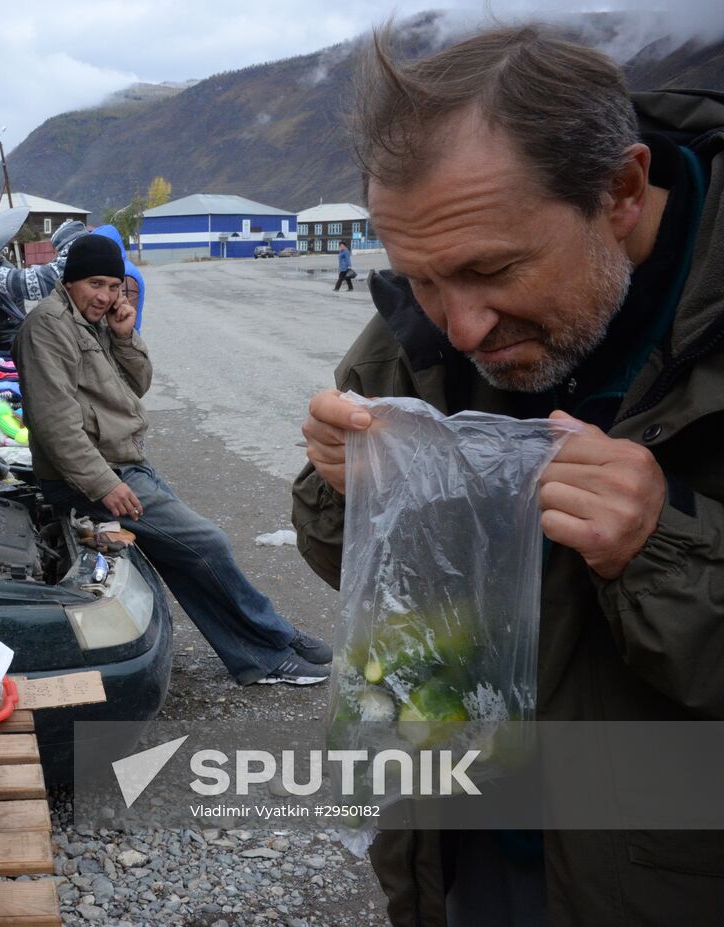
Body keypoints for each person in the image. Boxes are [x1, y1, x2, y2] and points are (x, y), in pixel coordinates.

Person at [291, 25, 723, 926]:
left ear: (623, 190)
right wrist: (349, 488)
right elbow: (365, 580)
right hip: (464, 850)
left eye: (492, 271)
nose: (462, 328)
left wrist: (660, 547)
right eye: (421, 280)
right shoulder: (421, 335)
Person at [17, 234, 332, 685]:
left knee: (185, 556)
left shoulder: (95, 322)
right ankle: (273, 642)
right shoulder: (48, 328)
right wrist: (105, 485)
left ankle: (256, 655)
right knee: (207, 543)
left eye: (113, 286)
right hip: (91, 478)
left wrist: (125, 337)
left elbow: (136, 385)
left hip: (124, 463)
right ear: (69, 282)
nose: (105, 296)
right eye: (95, 284)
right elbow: (55, 425)